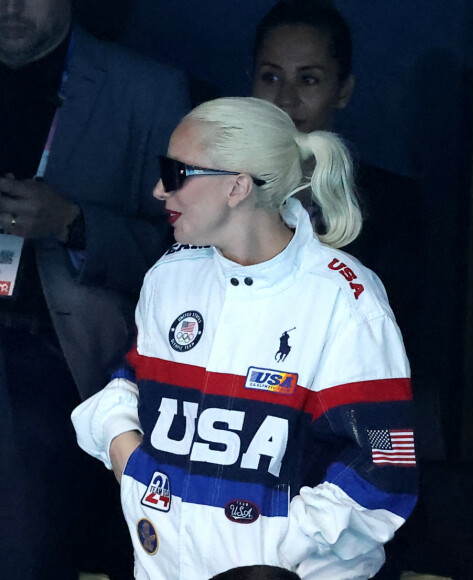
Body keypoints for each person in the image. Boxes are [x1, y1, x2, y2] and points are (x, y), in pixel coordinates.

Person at [72, 96, 418, 579]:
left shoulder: (345, 299)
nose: (157, 190)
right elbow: (128, 384)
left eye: (175, 174)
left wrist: (277, 553)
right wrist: (126, 458)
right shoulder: (169, 278)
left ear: (237, 186)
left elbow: (385, 461)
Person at [0, 0, 191, 577]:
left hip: (66, 354)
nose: (10, 7)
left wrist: (73, 222)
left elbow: (187, 256)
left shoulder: (146, 91)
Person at [250, 1, 428, 418]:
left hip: (341, 417)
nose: (286, 99)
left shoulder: (390, 205)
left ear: (342, 91)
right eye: (270, 76)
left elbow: (394, 338)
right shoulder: (218, 189)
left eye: (308, 79)